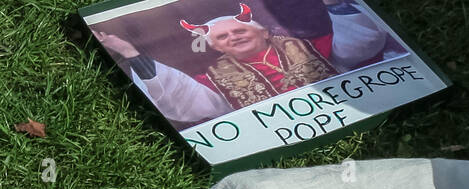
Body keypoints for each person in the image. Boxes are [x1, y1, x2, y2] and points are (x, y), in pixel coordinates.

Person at [93, 1, 386, 126]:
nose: (232, 37)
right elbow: (184, 101)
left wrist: (335, 5)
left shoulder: (311, 46)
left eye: (240, 30)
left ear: (264, 32)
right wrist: (131, 53)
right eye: (223, 36)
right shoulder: (215, 79)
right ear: (215, 46)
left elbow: (360, 48)